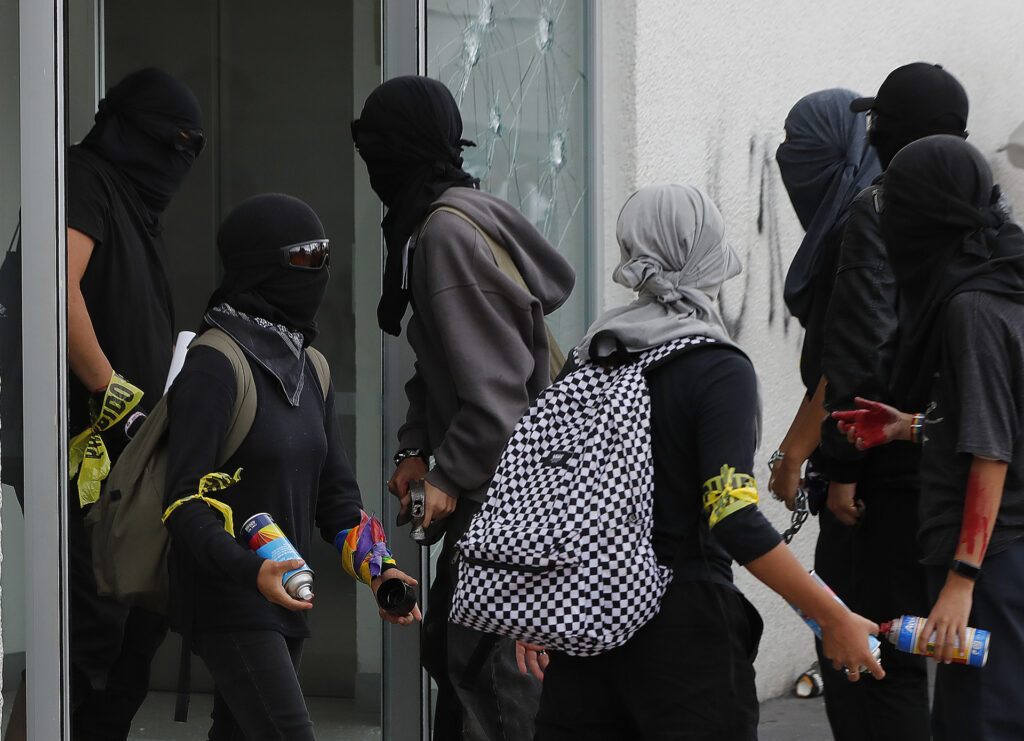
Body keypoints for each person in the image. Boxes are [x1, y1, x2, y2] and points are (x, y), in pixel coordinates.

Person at [517, 184, 883, 741]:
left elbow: (555, 493)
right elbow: (733, 514)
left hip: (585, 623)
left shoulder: (597, 352)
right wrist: (833, 616)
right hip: (684, 631)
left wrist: (539, 601)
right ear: (705, 249)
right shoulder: (716, 367)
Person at [352, 75, 575, 740]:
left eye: (377, 149)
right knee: (461, 666)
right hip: (509, 500)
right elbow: (442, 362)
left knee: (496, 694)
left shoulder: (445, 232)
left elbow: (497, 396)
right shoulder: (450, 217)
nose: (372, 166)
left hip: (506, 512)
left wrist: (446, 476)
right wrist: (415, 448)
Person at [161, 193, 421, 740]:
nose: (319, 272)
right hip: (231, 599)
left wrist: (382, 570)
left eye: (324, 256)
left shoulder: (309, 367)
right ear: (261, 265)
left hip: (289, 597)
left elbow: (338, 502)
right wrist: (248, 570)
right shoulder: (214, 364)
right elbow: (181, 503)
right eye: (304, 257)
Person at [832, 135, 1024, 741]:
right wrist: (911, 426)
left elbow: (993, 451)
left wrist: (961, 583)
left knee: (979, 725)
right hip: (1010, 556)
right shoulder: (1007, 277)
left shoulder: (972, 307)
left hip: (994, 563)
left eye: (900, 206)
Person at [813, 62, 972, 740]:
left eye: (879, 123)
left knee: (868, 657)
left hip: (883, 473)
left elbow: (861, 347)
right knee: (942, 658)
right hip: (962, 463)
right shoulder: (984, 214)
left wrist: (842, 468)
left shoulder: (881, 209)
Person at [64, 67, 204, 741]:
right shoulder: (83, 179)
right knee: (95, 625)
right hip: (87, 445)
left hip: (132, 446)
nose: (175, 161)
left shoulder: (127, 196)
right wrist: (114, 396)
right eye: (169, 142)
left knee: (138, 617)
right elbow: (56, 292)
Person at [767, 88, 879, 515]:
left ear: (835, 149)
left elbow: (851, 359)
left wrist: (793, 454)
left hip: (871, 479)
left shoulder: (861, 229)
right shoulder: (853, 221)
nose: (785, 154)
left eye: (797, 141)